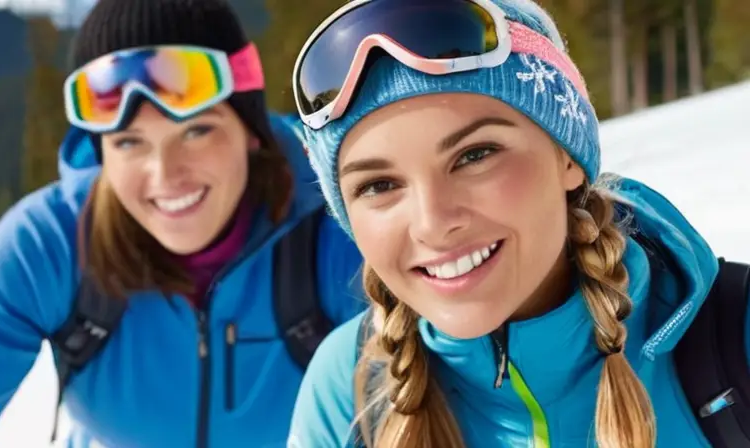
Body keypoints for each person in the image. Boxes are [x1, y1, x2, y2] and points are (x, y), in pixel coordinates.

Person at [287, 0, 750, 447]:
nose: (433, 223)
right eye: (379, 185)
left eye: (474, 156)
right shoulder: (347, 388)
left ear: (566, 156)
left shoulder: (734, 340)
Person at [0, 0, 365, 447]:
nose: (165, 176)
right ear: (102, 152)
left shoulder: (336, 228)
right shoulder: (49, 247)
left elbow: (419, 404)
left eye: (195, 131)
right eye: (129, 142)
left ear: (250, 129)